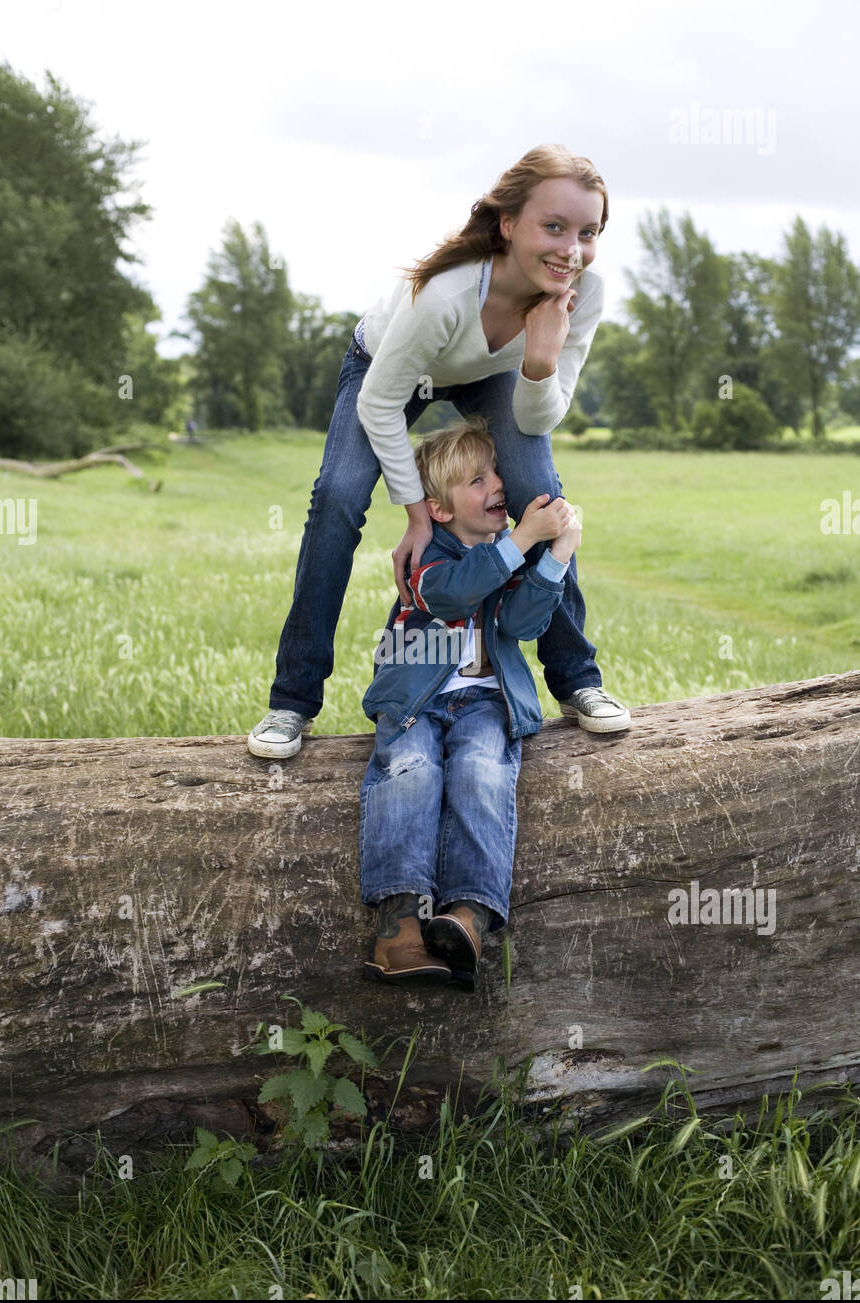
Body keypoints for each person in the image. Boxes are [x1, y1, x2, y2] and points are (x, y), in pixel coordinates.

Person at [247, 143, 630, 761]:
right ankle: (292, 701)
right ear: (508, 224)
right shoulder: (447, 294)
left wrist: (540, 358)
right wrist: (418, 512)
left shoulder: (583, 293)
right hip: (392, 369)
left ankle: (577, 680)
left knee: (538, 486)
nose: (571, 250)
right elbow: (378, 406)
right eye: (553, 227)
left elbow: (543, 413)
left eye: (587, 232)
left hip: (494, 369)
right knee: (339, 496)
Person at [360, 415, 582, 989]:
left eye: (496, 476)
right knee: (409, 771)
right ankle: (400, 922)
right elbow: (454, 594)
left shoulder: (502, 552)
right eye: (476, 481)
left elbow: (523, 623)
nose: (497, 488)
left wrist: (555, 556)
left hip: (485, 702)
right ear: (438, 509)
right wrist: (523, 540)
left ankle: (470, 916)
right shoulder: (428, 557)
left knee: (483, 771)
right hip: (417, 700)